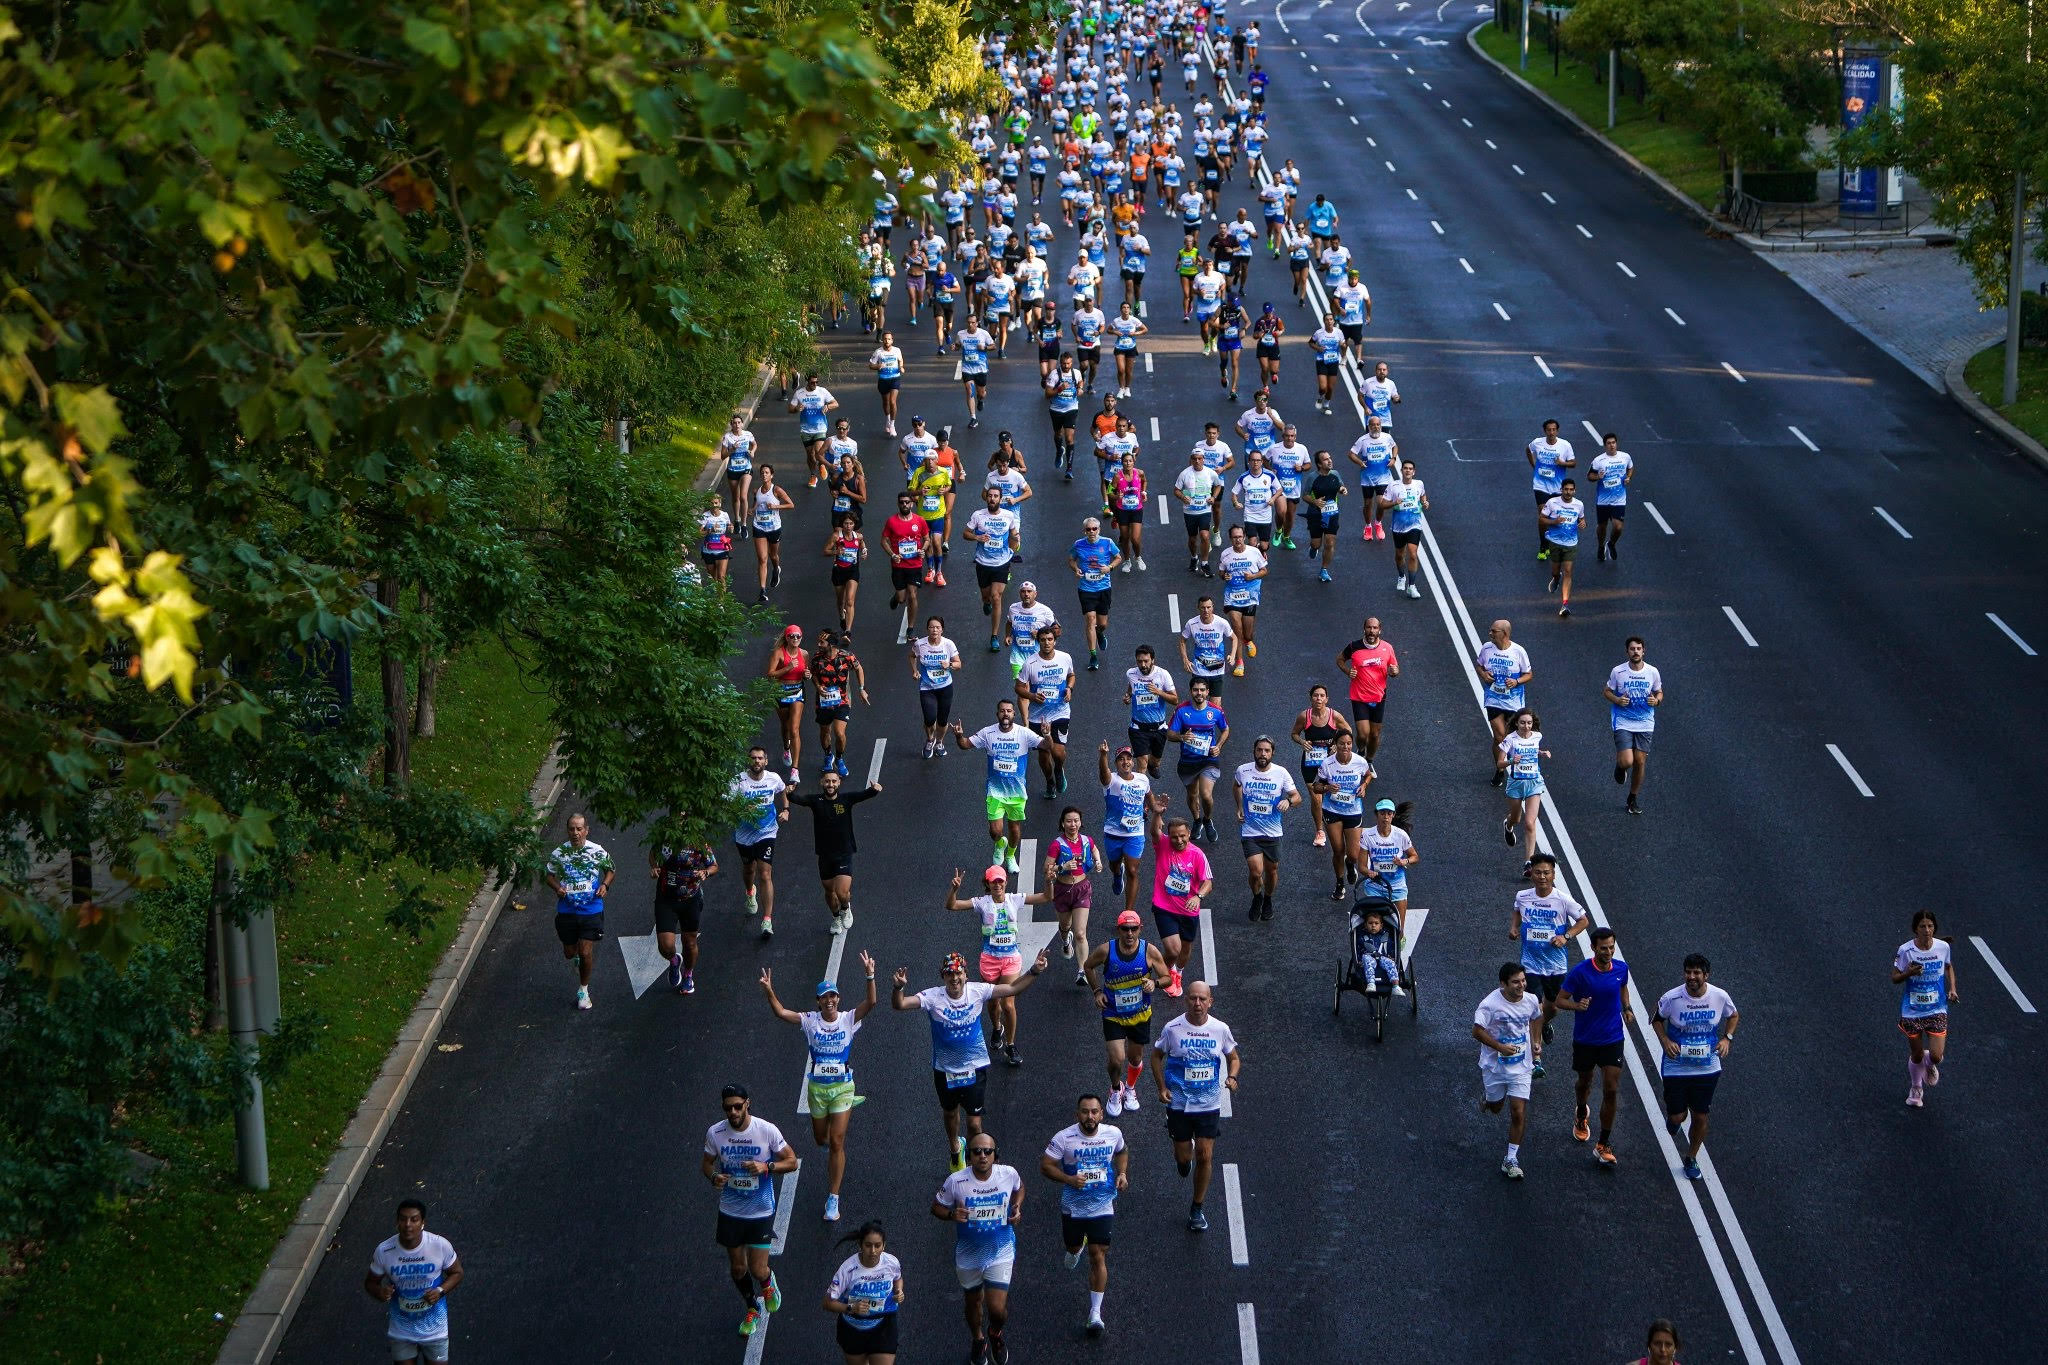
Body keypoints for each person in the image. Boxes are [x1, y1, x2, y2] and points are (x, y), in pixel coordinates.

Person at [895, 950, 1051, 1169]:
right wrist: (899, 988)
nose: (954, 978)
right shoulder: (932, 997)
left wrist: (1035, 971)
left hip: (974, 1068)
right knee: (950, 1116)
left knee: (975, 1123)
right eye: (949, 974)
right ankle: (955, 1149)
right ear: (943, 977)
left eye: (958, 973)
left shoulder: (977, 990)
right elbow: (900, 1005)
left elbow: (1013, 988)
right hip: (945, 1069)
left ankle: (970, 1163)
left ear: (965, 975)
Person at [761, 956, 880, 1221]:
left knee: (837, 1141)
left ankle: (833, 1199)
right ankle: (829, 1144)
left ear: (838, 999)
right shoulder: (810, 1020)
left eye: (833, 996)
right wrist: (770, 991)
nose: (829, 1000)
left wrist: (870, 976)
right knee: (820, 1139)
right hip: (816, 1089)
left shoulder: (848, 1019)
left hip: (842, 1088)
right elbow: (781, 1013)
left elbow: (871, 1003)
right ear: (818, 1001)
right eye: (824, 997)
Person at [702, 1084, 800, 1336]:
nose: (733, 1112)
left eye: (737, 1106)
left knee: (757, 1269)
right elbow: (706, 1163)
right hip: (731, 1210)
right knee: (737, 1269)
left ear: (748, 1103)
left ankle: (768, 1283)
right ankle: (752, 1307)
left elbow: (791, 1161)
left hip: (760, 1210)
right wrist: (714, 1177)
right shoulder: (716, 1133)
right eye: (727, 1108)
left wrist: (766, 1166)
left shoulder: (766, 1130)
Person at [1150, 979, 1240, 1230]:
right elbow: (1156, 1057)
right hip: (1179, 1103)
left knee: (1205, 1154)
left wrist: (1232, 1077)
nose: (1198, 1003)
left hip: (1208, 1103)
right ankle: (1183, 1159)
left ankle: (1197, 1208)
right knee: (1183, 1159)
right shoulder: (1173, 1028)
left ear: (1210, 1001)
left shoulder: (1220, 1029)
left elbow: (1233, 1057)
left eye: (1203, 999)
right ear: (1186, 999)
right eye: (1193, 998)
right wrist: (1161, 1088)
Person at [945, 863, 1056, 1066]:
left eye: (1000, 881)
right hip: (989, 960)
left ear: (1006, 882)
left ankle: (1011, 1045)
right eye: (993, 881)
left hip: (1011, 960)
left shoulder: (1015, 899)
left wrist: (1049, 881)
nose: (997, 885)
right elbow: (952, 906)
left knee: (1008, 1003)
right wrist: (954, 890)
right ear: (987, 883)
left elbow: (1046, 897)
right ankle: (997, 1027)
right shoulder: (981, 902)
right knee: (992, 1002)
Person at [931, 1134, 1026, 1365]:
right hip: (968, 1253)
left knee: (996, 1309)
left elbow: (1019, 1187)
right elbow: (936, 1207)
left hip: (1000, 1250)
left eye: (987, 1151)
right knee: (973, 1303)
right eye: (976, 1151)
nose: (982, 1156)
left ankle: (995, 1333)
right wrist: (952, 1214)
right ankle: (978, 1339)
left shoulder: (1008, 1174)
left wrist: (1016, 1206)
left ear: (995, 1154)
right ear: (969, 1155)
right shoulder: (955, 1181)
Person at [1040, 1095, 1129, 1336]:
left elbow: (1122, 1152)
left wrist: (1121, 1173)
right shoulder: (1064, 1138)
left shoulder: (1113, 1133)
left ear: (1101, 1114)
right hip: (1073, 1206)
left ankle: (1095, 1314)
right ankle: (1076, 1248)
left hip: (1103, 1204)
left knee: (1098, 1254)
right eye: (1084, 1112)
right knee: (1072, 1247)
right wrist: (1069, 1179)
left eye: (1094, 1112)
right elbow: (1046, 1165)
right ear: (1077, 1114)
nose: (1090, 1117)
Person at [1652, 954, 1740, 1180]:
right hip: (1677, 1067)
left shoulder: (1719, 996)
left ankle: (1691, 1157)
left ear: (1706, 975)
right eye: (1688, 972)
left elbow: (1734, 1015)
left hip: (1707, 1067)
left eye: (1696, 973)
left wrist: (1726, 1038)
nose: (1691, 977)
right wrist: (1666, 1041)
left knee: (1701, 1116)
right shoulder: (1672, 998)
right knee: (1677, 1117)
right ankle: (1674, 1120)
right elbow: (1657, 1020)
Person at [1556, 925, 1634, 1167]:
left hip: (1612, 1039)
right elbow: (1560, 1000)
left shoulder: (1621, 968)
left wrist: (1627, 1008)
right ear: (1593, 948)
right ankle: (1581, 1112)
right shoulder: (1580, 973)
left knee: (1611, 1089)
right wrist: (1577, 1006)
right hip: (1586, 1040)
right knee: (1585, 1082)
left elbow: (1623, 988)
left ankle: (1604, 1143)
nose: (1608, 952)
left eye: (1611, 947)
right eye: (1603, 948)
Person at [1085, 907, 1172, 1114]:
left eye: (1133, 929)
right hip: (1113, 1013)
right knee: (1116, 1059)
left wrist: (1155, 983)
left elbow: (1167, 977)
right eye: (1125, 929)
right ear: (1119, 930)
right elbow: (1088, 966)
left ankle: (1130, 1088)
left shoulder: (1149, 951)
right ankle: (1116, 1089)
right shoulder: (1107, 950)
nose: (1129, 934)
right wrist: (1097, 991)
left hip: (1140, 1014)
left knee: (1135, 1058)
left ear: (1140, 929)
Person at [1512, 854, 1591, 1074]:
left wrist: (1566, 937)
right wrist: (1514, 928)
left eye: (1547, 872)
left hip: (1556, 965)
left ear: (1553, 875)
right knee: (1535, 1007)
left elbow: (1584, 920)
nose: (1543, 877)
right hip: (1530, 963)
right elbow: (1517, 911)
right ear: (1532, 874)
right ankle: (1537, 1057)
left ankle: (1545, 1022)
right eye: (1538, 872)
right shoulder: (1523, 896)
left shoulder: (1563, 899)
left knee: (1552, 1008)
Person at [365, 1199, 463, 1365]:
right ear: (397, 1222)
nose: (408, 1225)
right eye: (403, 1219)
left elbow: (457, 1273)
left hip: (435, 1330)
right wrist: (380, 1292)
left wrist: (440, 1290)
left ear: (423, 1223)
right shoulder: (385, 1250)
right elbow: (370, 1283)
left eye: (414, 1219)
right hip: (402, 1331)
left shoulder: (439, 1245)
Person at [954, 701, 1043, 873]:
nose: (1005, 714)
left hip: (1017, 793)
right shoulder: (988, 733)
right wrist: (959, 736)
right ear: (997, 714)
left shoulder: (1023, 733)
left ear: (1014, 714)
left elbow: (1047, 746)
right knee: (995, 831)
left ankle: (1010, 856)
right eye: (1002, 711)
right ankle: (1000, 843)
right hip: (995, 791)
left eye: (1009, 711)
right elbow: (965, 745)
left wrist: (1046, 735)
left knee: (1014, 829)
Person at [790, 769, 882, 935]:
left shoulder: (846, 799)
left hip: (844, 853)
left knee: (842, 892)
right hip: (824, 855)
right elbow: (798, 799)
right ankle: (836, 917)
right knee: (829, 891)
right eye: (827, 781)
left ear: (839, 783)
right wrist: (789, 794)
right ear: (822, 783)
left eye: (833, 781)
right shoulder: (815, 801)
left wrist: (875, 789)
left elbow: (865, 794)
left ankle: (846, 908)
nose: (830, 784)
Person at [1473, 963, 1543, 1180]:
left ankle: (1511, 1158)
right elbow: (1476, 1032)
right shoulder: (1490, 1005)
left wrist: (1536, 1043)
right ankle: (1489, 1099)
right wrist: (1500, 1047)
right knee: (1496, 1107)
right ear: (1503, 984)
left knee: (1518, 1111)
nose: (1521, 985)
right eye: (1515, 982)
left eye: (1523, 980)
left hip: (1521, 1065)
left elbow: (1537, 1017)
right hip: (1495, 1065)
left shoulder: (1530, 1000)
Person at [1144, 792, 1212, 998]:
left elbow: (1208, 882)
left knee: (1185, 950)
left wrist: (1197, 896)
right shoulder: (1163, 844)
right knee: (1173, 950)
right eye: (1174, 836)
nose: (1179, 840)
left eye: (1182, 836)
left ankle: (1177, 972)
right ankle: (1162, 975)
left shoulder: (1197, 854)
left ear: (1189, 833)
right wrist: (1156, 814)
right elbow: (1155, 832)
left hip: (1188, 909)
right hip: (1164, 906)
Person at [545, 814, 614, 1010]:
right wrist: (557, 887)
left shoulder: (596, 851)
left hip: (591, 908)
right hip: (567, 909)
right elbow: (548, 875)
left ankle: (583, 990)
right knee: (570, 953)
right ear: (567, 831)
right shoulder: (559, 853)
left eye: (579, 829)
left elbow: (611, 869)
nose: (575, 833)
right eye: (571, 829)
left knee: (585, 952)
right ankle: (574, 954)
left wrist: (605, 885)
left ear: (586, 830)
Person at [1893, 909, 1957, 1108]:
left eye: (1930, 926)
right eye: (1922, 926)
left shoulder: (1943, 947)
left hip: (1937, 1008)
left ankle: (1930, 1066)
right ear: (1915, 929)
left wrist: (1953, 989)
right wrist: (1908, 973)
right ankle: (1916, 1088)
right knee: (1918, 1054)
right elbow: (1894, 978)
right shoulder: (1905, 951)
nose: (1927, 930)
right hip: (1912, 1010)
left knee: (1936, 1056)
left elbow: (1947, 966)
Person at [1232, 736, 1300, 922]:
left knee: (1272, 871)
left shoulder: (1281, 773)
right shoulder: (1243, 770)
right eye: (1259, 750)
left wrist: (1288, 801)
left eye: (1267, 751)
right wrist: (1239, 807)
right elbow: (1236, 786)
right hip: (1250, 831)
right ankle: (1257, 897)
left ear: (1272, 753)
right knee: (1255, 871)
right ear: (1254, 751)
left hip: (1273, 831)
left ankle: (1268, 899)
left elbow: (1297, 797)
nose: (1263, 754)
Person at [825, 1221, 906, 1365]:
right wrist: (850, 1308)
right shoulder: (847, 1269)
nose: (873, 1251)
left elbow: (898, 1278)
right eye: (868, 1245)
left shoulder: (891, 1262)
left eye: (878, 1245)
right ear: (860, 1245)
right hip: (853, 1329)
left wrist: (899, 1290)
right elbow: (827, 1303)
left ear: (884, 1245)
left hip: (883, 1325)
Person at [731, 745, 790, 937]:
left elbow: (783, 790)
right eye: (753, 758)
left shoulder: (773, 778)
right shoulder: (738, 780)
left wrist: (786, 809)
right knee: (749, 869)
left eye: (760, 758)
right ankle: (750, 892)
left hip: (767, 831)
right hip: (744, 834)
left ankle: (767, 920)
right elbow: (728, 803)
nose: (757, 761)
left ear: (766, 761)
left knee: (765, 874)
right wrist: (740, 811)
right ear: (749, 761)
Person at [1312, 728, 1374, 900]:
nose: (1345, 747)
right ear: (1335, 744)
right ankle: (1339, 884)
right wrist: (1326, 788)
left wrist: (1364, 786)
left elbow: (1368, 775)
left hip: (1353, 810)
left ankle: (1350, 864)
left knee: (1353, 854)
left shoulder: (1360, 762)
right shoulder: (1328, 764)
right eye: (1341, 744)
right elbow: (1316, 787)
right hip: (1332, 810)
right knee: (1338, 850)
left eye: (1348, 744)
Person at [649, 839, 718, 994]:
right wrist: (654, 867)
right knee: (665, 946)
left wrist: (705, 872)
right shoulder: (665, 837)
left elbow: (714, 865)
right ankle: (674, 960)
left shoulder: (699, 842)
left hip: (691, 899)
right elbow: (653, 853)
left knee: (690, 943)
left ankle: (688, 974)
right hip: (666, 899)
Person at [1605, 635, 1664, 814]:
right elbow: (1607, 691)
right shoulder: (1618, 671)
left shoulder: (1652, 671)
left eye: (1638, 649)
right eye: (1632, 649)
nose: (1635, 652)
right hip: (1623, 720)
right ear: (1627, 652)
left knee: (1640, 761)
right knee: (1627, 760)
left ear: (1643, 651)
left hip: (1645, 722)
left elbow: (1659, 692)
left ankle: (1632, 798)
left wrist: (1657, 701)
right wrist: (1617, 699)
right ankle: (1621, 766)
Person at [1017, 623, 1077, 798]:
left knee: (1058, 752)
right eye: (1042, 640)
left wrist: (1069, 689)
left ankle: (1059, 769)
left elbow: (1071, 676)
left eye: (1049, 639)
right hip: (1038, 716)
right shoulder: (1030, 663)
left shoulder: (1065, 658)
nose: (1046, 643)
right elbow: (1018, 688)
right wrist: (1032, 696)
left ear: (1055, 641)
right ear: (1038, 642)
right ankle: (1050, 781)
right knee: (1043, 755)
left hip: (1060, 711)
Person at [1167, 676, 1230, 841]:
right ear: (1191, 691)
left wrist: (1219, 746)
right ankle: (1197, 820)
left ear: (1208, 692)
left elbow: (1225, 729)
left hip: (1208, 760)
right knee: (1192, 794)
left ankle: (1208, 820)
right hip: (1188, 761)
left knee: (1206, 794)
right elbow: (1170, 734)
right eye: (1196, 690)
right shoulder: (1181, 710)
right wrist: (1181, 737)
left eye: (1202, 690)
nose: (1199, 693)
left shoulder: (1215, 711)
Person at [1096, 740, 1154, 916]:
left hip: (1134, 834)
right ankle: (1116, 872)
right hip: (1113, 833)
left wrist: (1156, 809)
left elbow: (1149, 795)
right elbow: (1103, 774)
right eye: (1121, 759)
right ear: (1116, 764)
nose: (1125, 762)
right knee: (1114, 865)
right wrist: (1103, 755)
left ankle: (1128, 913)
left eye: (1128, 758)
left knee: (1133, 871)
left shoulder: (1142, 779)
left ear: (1133, 762)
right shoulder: (1111, 780)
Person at [1290, 684, 1351, 847]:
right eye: (1316, 695)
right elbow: (1294, 734)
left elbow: (1348, 731)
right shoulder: (1304, 716)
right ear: (1311, 698)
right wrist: (1302, 742)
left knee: (1332, 792)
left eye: (1322, 696)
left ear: (1327, 699)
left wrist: (1337, 745)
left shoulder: (1334, 715)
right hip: (1310, 761)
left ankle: (1339, 822)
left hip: (1330, 761)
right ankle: (1320, 830)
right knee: (1316, 796)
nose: (1319, 698)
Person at [1046, 805, 1102, 982]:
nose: (1073, 824)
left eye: (1076, 821)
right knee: (1065, 926)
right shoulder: (1057, 844)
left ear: (1080, 822)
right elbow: (1046, 869)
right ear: (1062, 823)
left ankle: (1082, 971)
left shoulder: (1087, 840)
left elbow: (1094, 850)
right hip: (1062, 890)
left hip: (1082, 889)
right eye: (1069, 821)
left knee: (1080, 933)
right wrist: (1061, 867)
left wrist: (1098, 861)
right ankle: (1065, 940)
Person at [807, 630, 870, 781]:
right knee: (824, 731)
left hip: (842, 700)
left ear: (831, 644)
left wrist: (862, 689)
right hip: (823, 701)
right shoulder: (817, 658)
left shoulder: (846, 656)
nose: (818, 645)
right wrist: (817, 686)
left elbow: (858, 668)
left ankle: (840, 758)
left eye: (822, 642)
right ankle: (828, 755)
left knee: (839, 733)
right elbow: (813, 674)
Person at [1476, 620, 1533, 782]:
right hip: (1493, 699)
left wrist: (1517, 682)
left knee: (1511, 737)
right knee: (1500, 736)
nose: (1490, 634)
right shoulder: (1487, 648)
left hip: (1513, 702)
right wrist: (1483, 675)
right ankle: (1500, 769)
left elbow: (1529, 674)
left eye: (1494, 631)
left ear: (1505, 634)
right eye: (1490, 630)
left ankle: (1515, 765)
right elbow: (1479, 665)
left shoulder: (1518, 651)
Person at [1337, 617, 1400, 762]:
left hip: (1379, 696)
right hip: (1359, 696)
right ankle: (1360, 750)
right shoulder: (1354, 646)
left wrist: (1394, 672)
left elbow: (1395, 669)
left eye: (1375, 628)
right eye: (1369, 628)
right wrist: (1348, 671)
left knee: (1375, 735)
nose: (1371, 631)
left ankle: (1369, 761)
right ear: (1364, 629)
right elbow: (1339, 659)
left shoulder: (1387, 648)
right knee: (1363, 734)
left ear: (1380, 630)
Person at [1497, 709, 1550, 872]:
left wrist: (1542, 753)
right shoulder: (1510, 739)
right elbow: (1499, 763)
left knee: (1530, 823)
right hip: (1516, 784)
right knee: (1516, 819)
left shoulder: (1537, 736)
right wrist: (1511, 761)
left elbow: (1533, 751)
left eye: (1529, 723)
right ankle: (1508, 825)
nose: (1526, 726)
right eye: (1522, 723)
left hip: (1534, 782)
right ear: (1516, 723)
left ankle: (1529, 862)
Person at [1358, 798, 1418, 934]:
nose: (1386, 817)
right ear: (1377, 814)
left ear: (1393, 815)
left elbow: (1415, 857)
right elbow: (1361, 866)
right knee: (1373, 927)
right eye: (1382, 813)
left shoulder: (1401, 835)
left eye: (1389, 813)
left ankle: (1397, 952)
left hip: (1397, 887)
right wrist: (1369, 873)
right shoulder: (1367, 835)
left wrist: (1405, 861)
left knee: (1399, 930)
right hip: (1375, 887)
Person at [1070, 517, 1122, 669]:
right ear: (1084, 531)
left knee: (1102, 624)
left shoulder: (1107, 543)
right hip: (1086, 589)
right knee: (1090, 621)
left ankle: (1100, 633)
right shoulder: (1078, 544)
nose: (1091, 532)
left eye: (1094, 529)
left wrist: (1110, 568)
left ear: (1099, 530)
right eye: (1088, 529)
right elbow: (1071, 559)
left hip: (1104, 588)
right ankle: (1093, 655)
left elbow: (1118, 557)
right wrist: (1076, 569)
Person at [1215, 526, 1267, 671]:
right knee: (1237, 629)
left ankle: (1248, 641)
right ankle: (1239, 662)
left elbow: (1264, 571)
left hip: (1250, 596)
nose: (1237, 540)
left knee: (1247, 633)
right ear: (1230, 539)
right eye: (1234, 537)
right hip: (1232, 596)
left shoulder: (1254, 552)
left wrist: (1252, 576)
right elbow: (1221, 572)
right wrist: (1223, 576)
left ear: (1244, 536)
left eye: (1239, 536)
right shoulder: (1226, 554)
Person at [912, 616, 962, 759]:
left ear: (942, 630)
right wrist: (914, 671)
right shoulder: (920, 644)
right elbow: (912, 656)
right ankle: (930, 740)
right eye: (932, 627)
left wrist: (950, 665)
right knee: (929, 718)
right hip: (927, 688)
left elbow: (959, 664)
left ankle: (939, 742)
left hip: (945, 687)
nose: (934, 630)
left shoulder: (948, 644)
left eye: (937, 627)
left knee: (942, 720)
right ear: (927, 629)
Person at [1526, 419, 1576, 560]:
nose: (1551, 432)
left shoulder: (1565, 445)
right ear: (1545, 431)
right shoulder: (1537, 443)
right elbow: (1528, 450)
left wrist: (1562, 463)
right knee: (1543, 515)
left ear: (1557, 431)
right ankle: (1543, 546)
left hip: (1557, 487)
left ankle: (1554, 543)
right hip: (1540, 485)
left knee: (1554, 516)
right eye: (1549, 430)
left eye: (1554, 429)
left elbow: (1574, 463)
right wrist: (1534, 465)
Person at [1381, 458, 1429, 599]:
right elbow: (1382, 504)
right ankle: (1401, 576)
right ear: (1401, 470)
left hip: (1415, 525)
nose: (1407, 470)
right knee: (1399, 555)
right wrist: (1394, 502)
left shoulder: (1419, 484)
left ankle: (1412, 586)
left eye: (1410, 469)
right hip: (1398, 527)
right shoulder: (1393, 486)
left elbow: (1423, 496)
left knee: (1413, 553)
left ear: (1413, 472)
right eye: (1405, 468)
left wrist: (1425, 503)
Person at [766, 624, 809, 780]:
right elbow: (770, 675)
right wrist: (787, 668)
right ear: (786, 637)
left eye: (798, 636)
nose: (795, 639)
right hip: (781, 691)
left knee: (794, 729)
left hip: (797, 691)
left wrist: (807, 675)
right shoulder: (779, 653)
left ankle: (795, 770)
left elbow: (804, 672)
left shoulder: (804, 654)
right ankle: (786, 748)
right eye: (792, 636)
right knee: (785, 725)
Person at [1173, 446, 1225, 574]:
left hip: (1205, 511)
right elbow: (1176, 490)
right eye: (1195, 459)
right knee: (1192, 539)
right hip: (1190, 511)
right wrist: (1182, 497)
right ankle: (1194, 557)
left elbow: (1218, 485)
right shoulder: (1185, 474)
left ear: (1203, 460)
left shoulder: (1210, 472)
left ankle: (1205, 563)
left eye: (1200, 459)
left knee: (1205, 535)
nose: (1197, 461)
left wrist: (1213, 497)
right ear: (1191, 459)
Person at [750, 465, 796, 604]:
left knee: (773, 555)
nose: (764, 475)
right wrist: (752, 510)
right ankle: (762, 590)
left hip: (774, 528)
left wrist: (776, 506)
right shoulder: (756, 491)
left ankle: (776, 568)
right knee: (762, 559)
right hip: (759, 527)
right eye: (762, 472)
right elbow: (756, 503)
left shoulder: (777, 490)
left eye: (767, 472)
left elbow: (791, 505)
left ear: (772, 475)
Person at [1177, 594, 1237, 702]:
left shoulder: (1222, 623)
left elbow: (1234, 638)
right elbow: (1182, 641)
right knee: (1200, 704)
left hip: (1217, 669)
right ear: (1198, 608)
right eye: (1203, 608)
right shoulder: (1192, 623)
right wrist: (1185, 660)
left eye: (1208, 607)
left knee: (1216, 706)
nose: (1206, 610)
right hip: (1199, 670)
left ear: (1212, 607)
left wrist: (1232, 655)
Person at [883, 491, 928, 631]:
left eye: (907, 502)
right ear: (898, 504)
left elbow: (927, 539)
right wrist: (892, 554)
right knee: (902, 598)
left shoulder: (919, 521)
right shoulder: (891, 521)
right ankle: (896, 598)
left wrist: (923, 550)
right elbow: (883, 541)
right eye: (902, 502)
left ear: (912, 504)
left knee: (913, 594)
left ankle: (910, 627)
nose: (904, 504)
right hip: (898, 565)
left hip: (915, 564)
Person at [1540, 478, 1585, 617]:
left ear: (1574, 490)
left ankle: (1564, 604)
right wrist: (1554, 521)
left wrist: (1583, 524)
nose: (1568, 492)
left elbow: (1582, 519)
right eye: (1566, 489)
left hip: (1571, 543)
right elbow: (1541, 519)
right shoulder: (1552, 502)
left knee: (1568, 571)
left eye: (1571, 489)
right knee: (1555, 570)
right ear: (1561, 490)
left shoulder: (1579, 504)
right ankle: (1556, 577)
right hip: (1554, 542)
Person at [1348, 416, 1397, 543]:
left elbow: (1394, 446)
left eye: (1378, 425)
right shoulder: (1363, 440)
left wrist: (1394, 459)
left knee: (1381, 503)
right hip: (1367, 478)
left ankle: (1378, 523)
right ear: (1369, 426)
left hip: (1384, 477)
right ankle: (1368, 526)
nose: (1376, 427)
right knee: (1368, 504)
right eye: (1373, 425)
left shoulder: (1386, 437)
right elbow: (1351, 454)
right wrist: (1359, 462)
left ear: (1381, 425)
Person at [789, 374, 841, 487]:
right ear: (807, 381)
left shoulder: (822, 391)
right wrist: (797, 409)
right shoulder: (799, 393)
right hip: (805, 430)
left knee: (818, 451)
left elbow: (835, 403)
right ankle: (813, 475)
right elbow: (790, 409)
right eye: (812, 382)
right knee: (810, 455)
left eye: (816, 382)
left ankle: (822, 464)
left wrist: (828, 407)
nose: (815, 384)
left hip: (820, 428)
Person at [1589, 432, 1634, 562]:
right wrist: (1598, 477)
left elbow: (1630, 468)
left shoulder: (1625, 457)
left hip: (1619, 499)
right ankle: (1600, 546)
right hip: (1603, 500)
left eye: (1613, 443)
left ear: (1616, 443)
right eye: (1608, 443)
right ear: (1605, 445)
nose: (1611, 445)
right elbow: (1589, 476)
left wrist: (1628, 477)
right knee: (1602, 526)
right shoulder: (1598, 460)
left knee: (1618, 526)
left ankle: (1611, 543)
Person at [1302, 447, 1345, 582]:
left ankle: (1324, 570)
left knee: (1330, 542)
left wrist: (1343, 489)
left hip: (1332, 513)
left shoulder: (1335, 474)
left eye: (1329, 458)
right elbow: (1305, 496)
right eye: (1326, 460)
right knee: (1317, 543)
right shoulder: (1312, 477)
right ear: (1319, 464)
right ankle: (1313, 548)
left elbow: (1340, 486)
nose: (1329, 461)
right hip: (1315, 514)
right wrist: (1314, 501)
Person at [1230, 450, 1279, 552]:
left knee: (1264, 546)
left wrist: (1273, 499)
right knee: (1252, 543)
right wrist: (1236, 503)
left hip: (1265, 517)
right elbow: (1234, 493)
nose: (1255, 462)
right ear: (1249, 462)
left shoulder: (1269, 475)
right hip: (1250, 516)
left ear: (1261, 462)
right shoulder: (1243, 477)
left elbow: (1279, 489)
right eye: (1253, 460)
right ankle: (1254, 559)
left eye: (1258, 460)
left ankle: (1260, 553)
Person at [718, 409, 759, 527]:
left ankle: (744, 524)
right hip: (733, 470)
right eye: (734, 423)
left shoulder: (748, 434)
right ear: (731, 425)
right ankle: (737, 519)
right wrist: (732, 450)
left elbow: (754, 444)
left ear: (742, 424)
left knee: (743, 496)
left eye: (739, 422)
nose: (737, 425)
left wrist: (752, 452)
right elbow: (722, 456)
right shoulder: (727, 437)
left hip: (746, 468)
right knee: (735, 497)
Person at [1109, 446, 1148, 570]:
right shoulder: (1117, 477)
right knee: (1125, 537)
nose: (1128, 463)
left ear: (1133, 461)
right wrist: (1117, 496)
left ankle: (1138, 557)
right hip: (1122, 510)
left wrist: (1143, 492)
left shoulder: (1140, 473)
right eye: (1125, 461)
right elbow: (1109, 491)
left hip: (1136, 509)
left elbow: (1144, 482)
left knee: (1135, 539)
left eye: (1130, 461)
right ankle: (1127, 561)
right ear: (1122, 463)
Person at [868, 331, 906, 436]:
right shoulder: (878, 352)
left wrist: (901, 367)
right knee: (886, 402)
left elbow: (900, 360)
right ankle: (888, 419)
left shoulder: (897, 350)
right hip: (883, 380)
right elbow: (871, 365)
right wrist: (878, 366)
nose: (887, 341)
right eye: (885, 339)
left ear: (892, 340)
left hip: (895, 378)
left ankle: (892, 425)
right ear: (882, 340)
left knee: (892, 402)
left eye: (889, 339)